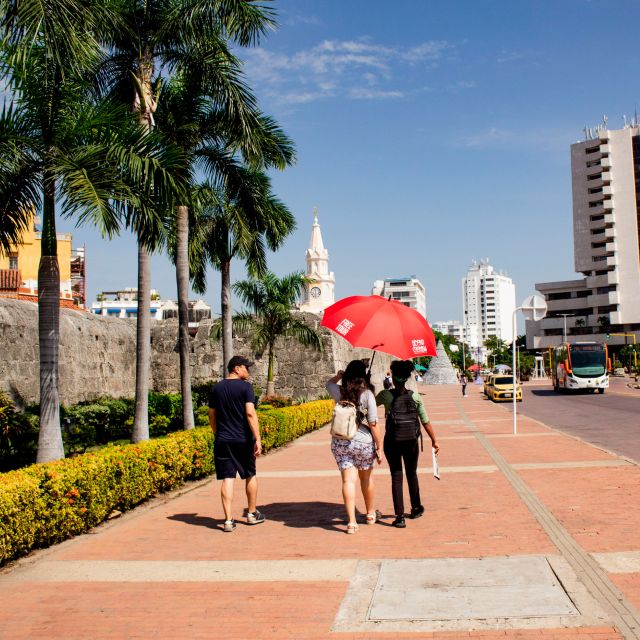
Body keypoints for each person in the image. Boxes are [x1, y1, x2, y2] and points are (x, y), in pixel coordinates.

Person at [376, 360, 439, 528]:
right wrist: (434, 440)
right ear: (407, 379)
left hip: (392, 441)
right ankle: (416, 508)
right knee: (412, 473)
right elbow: (425, 421)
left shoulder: (385, 395)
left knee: (396, 476)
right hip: (411, 441)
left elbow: (370, 404)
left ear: (394, 378)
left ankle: (400, 517)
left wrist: (367, 386)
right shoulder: (415, 396)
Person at [208, 356, 265, 533]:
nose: (248, 371)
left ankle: (228, 520)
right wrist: (257, 438)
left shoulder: (216, 388)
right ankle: (252, 514)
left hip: (223, 440)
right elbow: (250, 413)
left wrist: (217, 432)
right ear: (237, 368)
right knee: (250, 474)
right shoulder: (246, 387)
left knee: (227, 478)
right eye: (246, 368)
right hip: (243, 439)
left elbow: (211, 414)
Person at [327, 360, 383, 534]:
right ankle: (370, 514)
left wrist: (339, 376)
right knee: (366, 479)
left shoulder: (339, 391)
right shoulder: (367, 394)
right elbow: (373, 423)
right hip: (363, 442)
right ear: (364, 375)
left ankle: (351, 522)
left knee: (347, 481)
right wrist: (379, 446)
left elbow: (328, 384)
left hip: (341, 441)